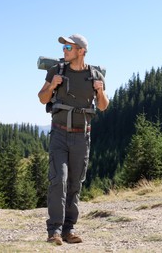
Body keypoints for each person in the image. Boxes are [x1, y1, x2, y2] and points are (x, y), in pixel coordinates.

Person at [38, 33, 109, 245]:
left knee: (75, 184)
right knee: (58, 180)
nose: (64, 51)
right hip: (59, 133)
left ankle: (69, 230)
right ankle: (55, 232)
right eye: (64, 48)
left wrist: (100, 91)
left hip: (82, 136)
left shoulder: (95, 75)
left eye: (68, 48)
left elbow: (103, 106)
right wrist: (52, 86)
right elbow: (42, 98)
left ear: (81, 51)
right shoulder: (56, 71)